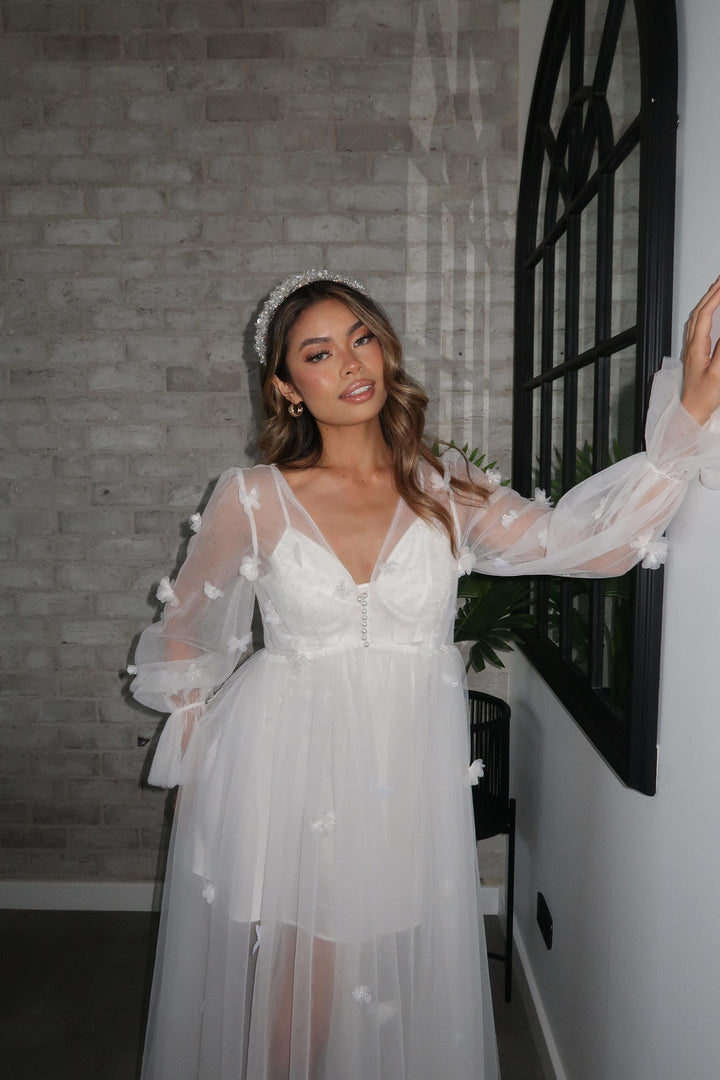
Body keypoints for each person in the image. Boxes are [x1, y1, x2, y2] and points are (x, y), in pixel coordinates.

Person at [128, 270, 720, 1080]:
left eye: (360, 337)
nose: (350, 362)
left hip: (397, 778)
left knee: (371, 983)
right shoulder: (253, 498)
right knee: (304, 992)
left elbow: (595, 544)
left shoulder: (444, 489)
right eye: (319, 352)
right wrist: (209, 778)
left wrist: (688, 416)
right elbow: (182, 635)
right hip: (289, 775)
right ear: (286, 386)